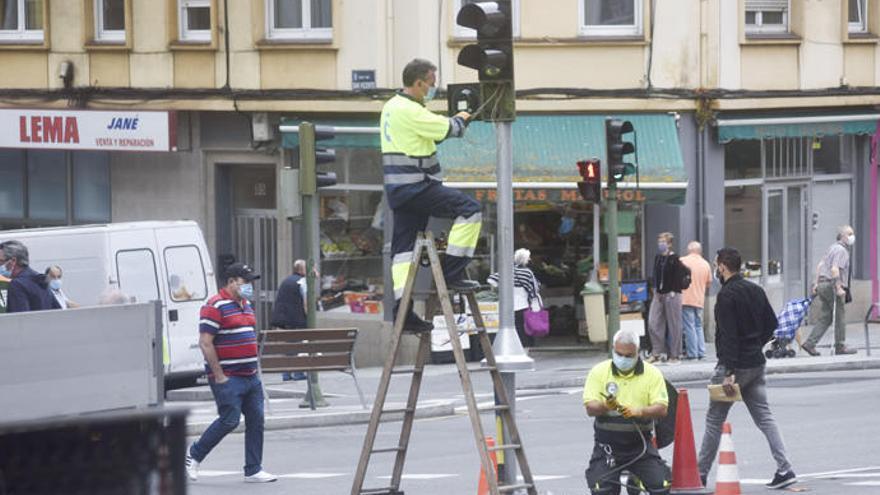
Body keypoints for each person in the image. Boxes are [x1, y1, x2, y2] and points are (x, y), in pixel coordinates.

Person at [382, 58, 480, 333]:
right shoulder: (411, 111)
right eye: (431, 84)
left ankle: (403, 313)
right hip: (418, 186)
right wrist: (462, 117)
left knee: (403, 252)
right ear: (418, 82)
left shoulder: (391, 107)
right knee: (470, 210)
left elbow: (430, 136)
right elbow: (449, 129)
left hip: (399, 191)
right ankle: (453, 273)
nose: (432, 89)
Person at [697, 247, 796, 490]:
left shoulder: (726, 296)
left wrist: (729, 372)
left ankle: (699, 473)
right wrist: (755, 345)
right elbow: (771, 325)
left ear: (722, 266)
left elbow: (729, 336)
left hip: (734, 366)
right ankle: (785, 469)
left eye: (716, 265)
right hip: (756, 363)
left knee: (714, 419)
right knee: (765, 417)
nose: (715, 269)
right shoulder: (756, 289)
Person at [185, 262, 276, 484]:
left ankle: (253, 469)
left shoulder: (245, 304)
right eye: (245, 282)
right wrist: (219, 375)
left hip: (250, 375)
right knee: (229, 420)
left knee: (257, 419)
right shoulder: (215, 305)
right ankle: (193, 455)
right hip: (229, 376)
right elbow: (206, 343)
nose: (249, 287)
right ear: (232, 281)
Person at [583, 329, 672, 495]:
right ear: (613, 350)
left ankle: (636, 478)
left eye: (628, 355)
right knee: (602, 489)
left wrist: (639, 411)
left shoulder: (652, 374)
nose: (623, 359)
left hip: (640, 446)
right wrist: (605, 406)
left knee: (661, 485)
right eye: (619, 354)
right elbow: (590, 408)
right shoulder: (599, 372)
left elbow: (662, 409)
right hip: (607, 447)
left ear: (637, 353)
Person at [802, 225, 858, 356]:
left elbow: (820, 265)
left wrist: (816, 284)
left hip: (823, 284)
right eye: (849, 234)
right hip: (831, 285)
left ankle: (810, 343)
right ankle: (840, 346)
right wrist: (839, 288)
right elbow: (834, 269)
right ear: (842, 236)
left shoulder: (832, 248)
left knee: (826, 317)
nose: (852, 237)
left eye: (852, 234)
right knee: (840, 316)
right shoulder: (842, 251)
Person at [487, 248, 543, 347]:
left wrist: (502, 286)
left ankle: (512, 347)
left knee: (511, 328)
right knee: (524, 329)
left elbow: (491, 279)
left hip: (507, 305)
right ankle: (524, 350)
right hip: (523, 305)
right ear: (525, 259)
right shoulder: (527, 272)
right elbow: (534, 288)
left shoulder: (507, 271)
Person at [647, 232, 684, 364]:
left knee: (674, 324)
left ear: (669, 244)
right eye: (659, 241)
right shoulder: (658, 257)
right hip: (659, 293)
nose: (660, 244)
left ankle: (675, 355)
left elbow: (678, 276)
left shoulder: (675, 258)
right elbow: (655, 274)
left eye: (663, 241)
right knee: (653, 322)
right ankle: (657, 352)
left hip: (672, 293)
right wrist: (654, 289)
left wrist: (674, 290)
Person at [271, 259, 310, 381]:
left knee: (288, 345)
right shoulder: (302, 281)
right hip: (297, 319)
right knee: (299, 345)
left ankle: (286, 373)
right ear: (302, 270)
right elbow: (306, 303)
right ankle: (298, 373)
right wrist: (309, 317)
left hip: (283, 319)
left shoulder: (286, 281)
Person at [0, 240, 60, 313]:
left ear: (13, 261)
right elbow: (58, 309)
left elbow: (20, 319)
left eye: (0, 261)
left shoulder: (17, 284)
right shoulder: (40, 279)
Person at [679, 242, 711, 360]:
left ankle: (692, 353)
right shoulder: (705, 264)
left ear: (689, 250)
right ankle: (701, 352)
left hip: (686, 298)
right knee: (698, 326)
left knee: (689, 327)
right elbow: (708, 284)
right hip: (699, 300)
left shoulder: (682, 261)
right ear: (700, 251)